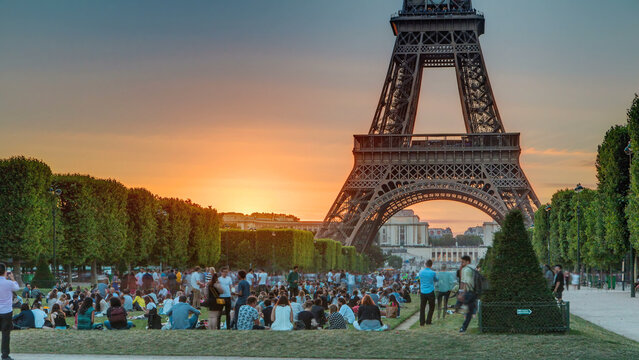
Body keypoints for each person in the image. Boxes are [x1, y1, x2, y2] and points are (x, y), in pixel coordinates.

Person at [0, 264, 19, 360]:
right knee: (5, 334)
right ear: (5, 272)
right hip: (6, 311)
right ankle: (5, 355)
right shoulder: (9, 283)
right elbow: (17, 288)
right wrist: (12, 278)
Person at [458, 255, 477, 333]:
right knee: (469, 310)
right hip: (474, 292)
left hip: (469, 292)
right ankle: (464, 327)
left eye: (463, 262)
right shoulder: (472, 268)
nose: (461, 263)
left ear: (467, 262)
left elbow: (465, 282)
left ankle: (463, 327)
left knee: (466, 308)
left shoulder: (465, 270)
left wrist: (462, 293)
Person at [418, 259, 438, 326]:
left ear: (425, 264)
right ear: (431, 265)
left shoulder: (420, 272)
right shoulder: (433, 273)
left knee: (422, 307)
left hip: (423, 291)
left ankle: (422, 322)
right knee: (431, 307)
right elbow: (436, 280)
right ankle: (428, 321)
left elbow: (419, 278)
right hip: (430, 291)